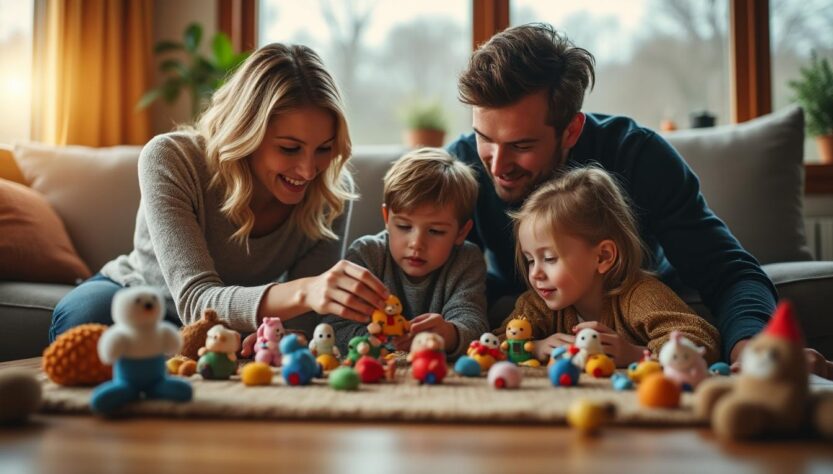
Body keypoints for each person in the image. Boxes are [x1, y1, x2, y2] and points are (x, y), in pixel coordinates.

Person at [447, 22, 783, 365]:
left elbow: (730, 272)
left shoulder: (637, 155)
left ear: (571, 130)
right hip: (523, 316)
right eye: (485, 138)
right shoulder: (461, 166)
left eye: (521, 145)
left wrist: (752, 349)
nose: (498, 164)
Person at [49, 43, 389, 342]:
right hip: (142, 297)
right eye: (289, 148)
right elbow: (195, 300)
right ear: (246, 133)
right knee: (86, 320)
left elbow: (301, 319)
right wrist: (306, 290)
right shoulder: (172, 158)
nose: (308, 170)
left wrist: (278, 335)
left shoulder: (331, 191)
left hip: (236, 320)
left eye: (324, 148)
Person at [497, 167, 720, 366]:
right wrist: (533, 347)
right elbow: (492, 343)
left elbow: (700, 339)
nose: (535, 273)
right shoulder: (537, 304)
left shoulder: (640, 295)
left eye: (549, 258)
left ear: (603, 257)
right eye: (530, 260)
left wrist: (636, 354)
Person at [325, 148, 488, 359]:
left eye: (436, 231)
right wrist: (387, 342)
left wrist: (449, 334)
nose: (416, 244)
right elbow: (334, 328)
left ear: (461, 232)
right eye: (403, 226)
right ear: (387, 217)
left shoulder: (467, 260)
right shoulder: (366, 254)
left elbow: (474, 323)